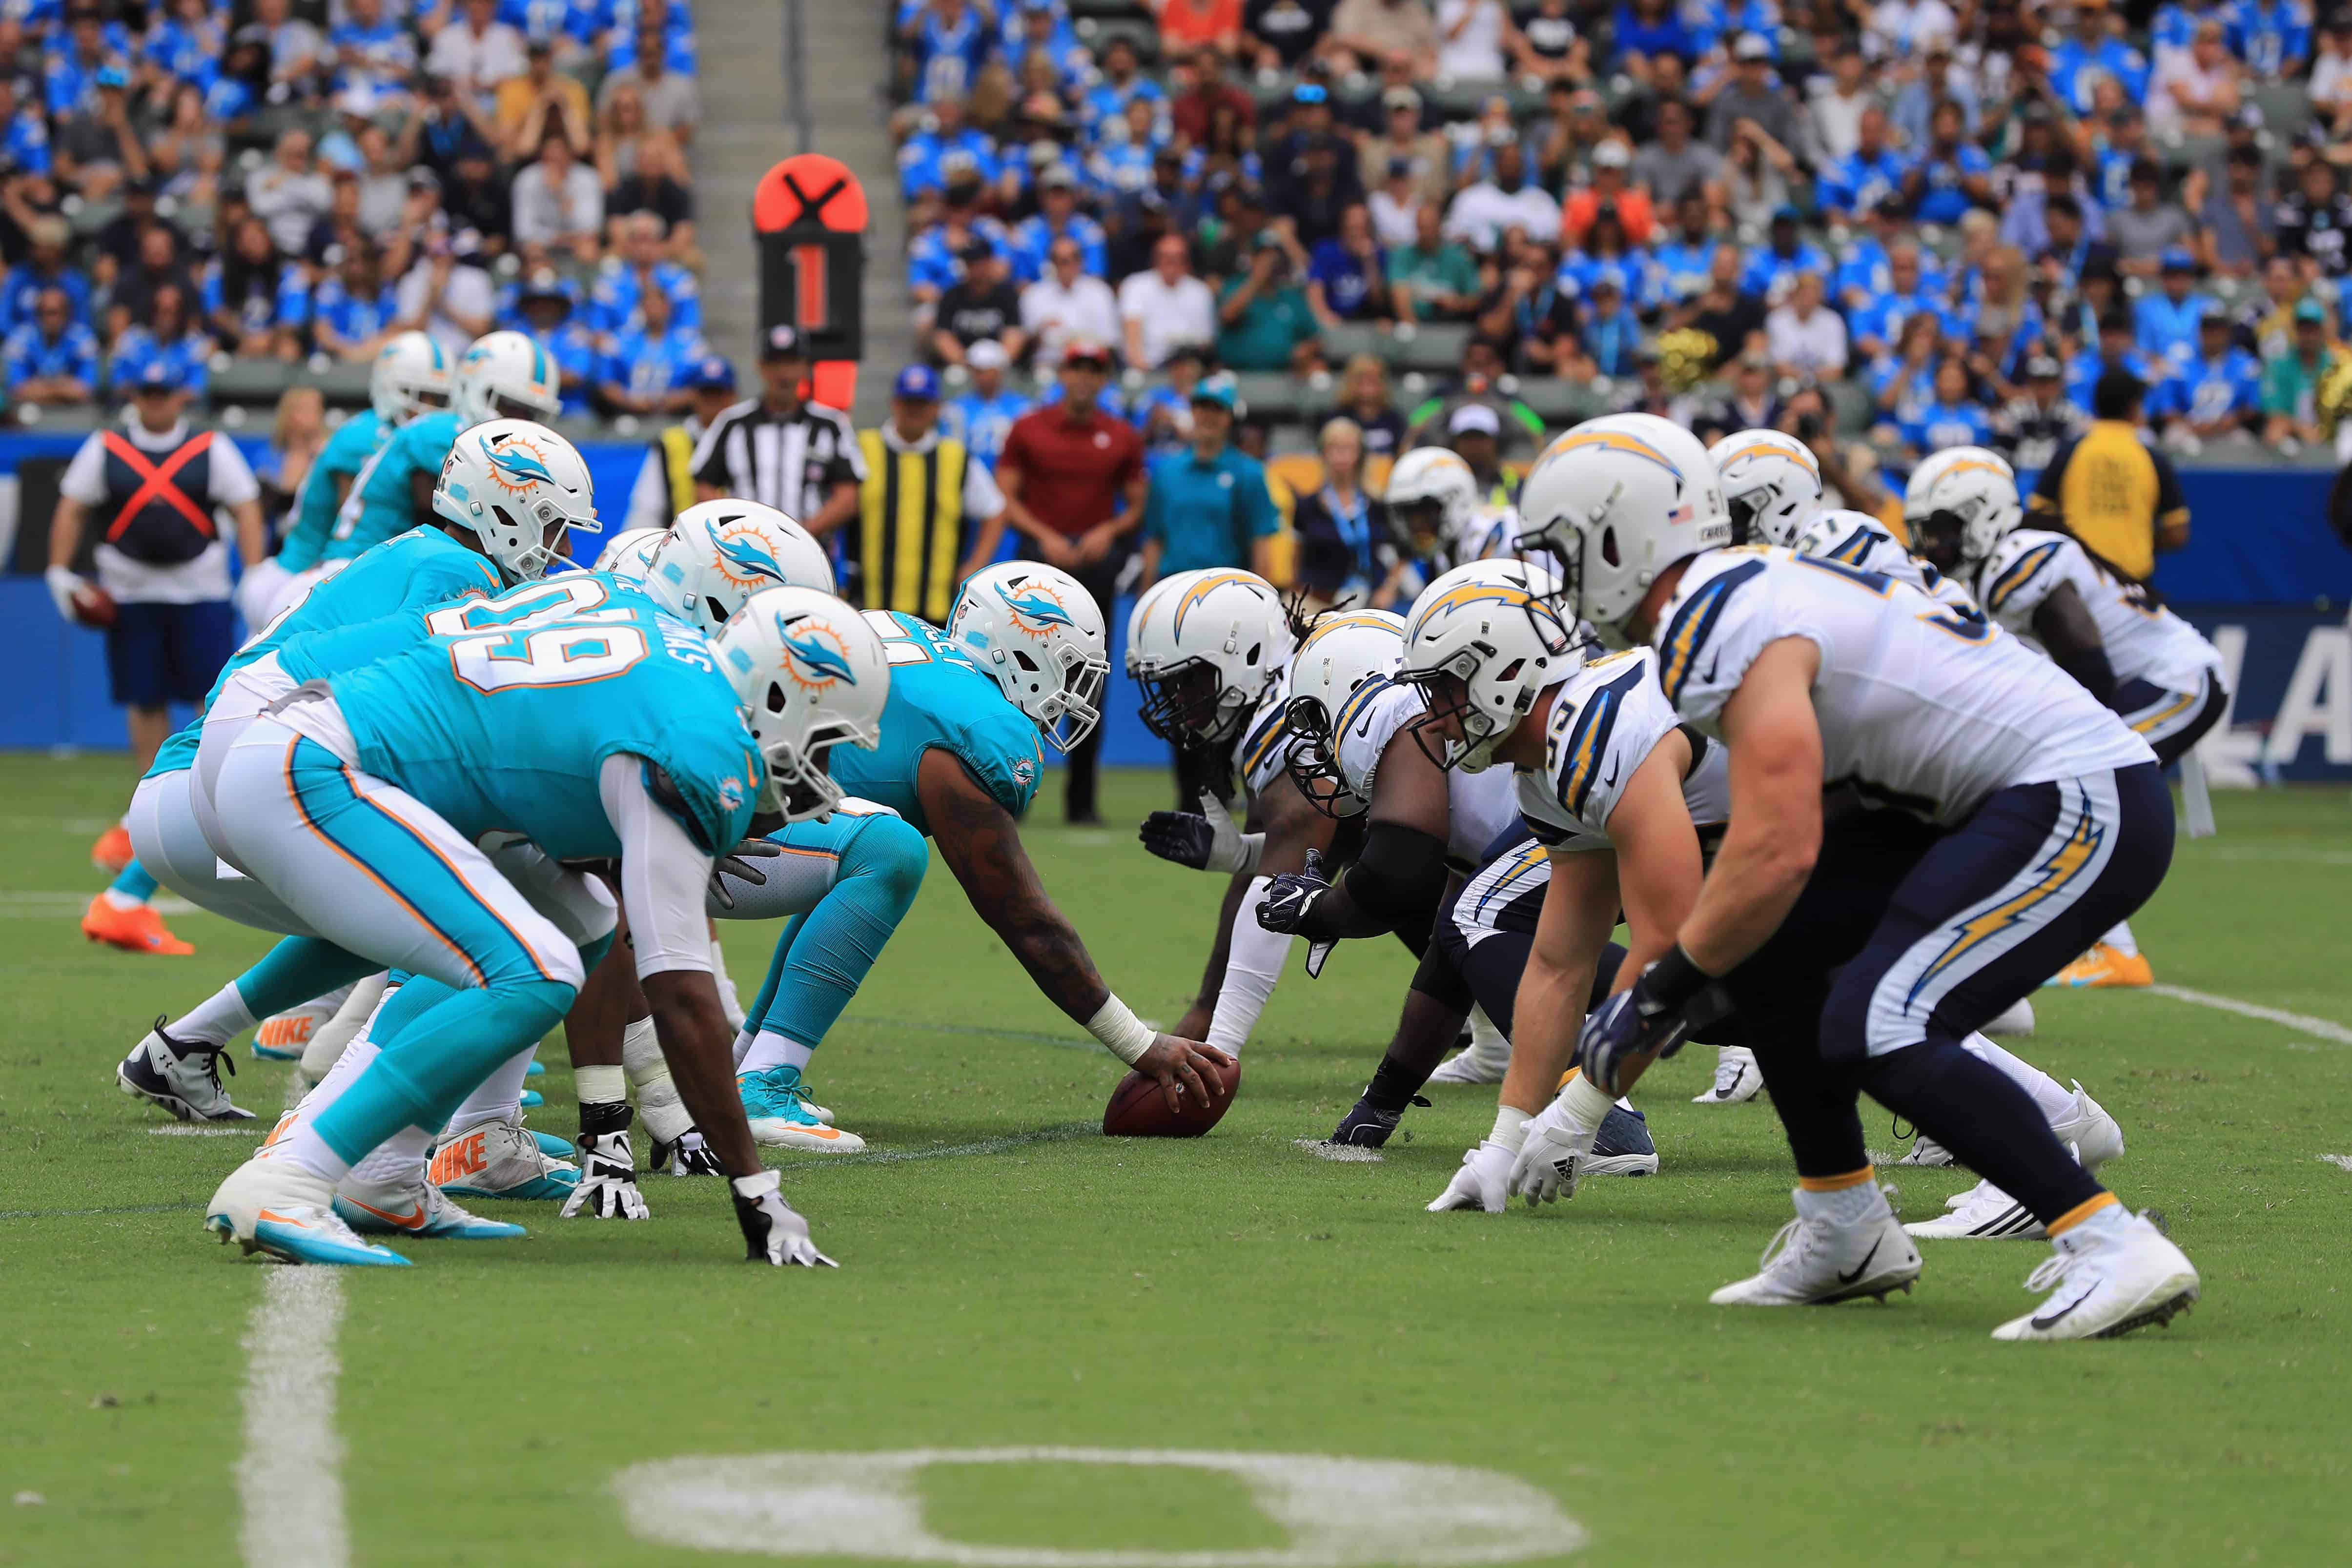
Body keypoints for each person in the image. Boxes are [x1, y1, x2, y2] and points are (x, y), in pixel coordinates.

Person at [1506, 412, 2199, 1341]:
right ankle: (1841, 1225)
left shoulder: (1714, 616)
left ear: (1616, 534)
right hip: (1984, 796)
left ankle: (2106, 1238)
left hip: (2073, 790)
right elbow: (1802, 836)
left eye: (1562, 548)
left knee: (1881, 1017)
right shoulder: (1730, 596)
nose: (1558, 576)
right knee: (1770, 958)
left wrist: (1659, 990)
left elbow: (1779, 842)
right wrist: (1697, 974)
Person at [199, 538, 858, 1264]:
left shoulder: (666, 653)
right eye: (823, 745)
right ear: (777, 697)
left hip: (316, 744)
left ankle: (384, 1173)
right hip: (319, 765)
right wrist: (755, 1190)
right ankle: (292, 1175)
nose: (821, 771)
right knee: (536, 969)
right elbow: (681, 996)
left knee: (583, 926)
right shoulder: (696, 745)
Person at [1913, 447, 2227, 994]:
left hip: (2177, 683)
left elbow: (2090, 668)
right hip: (2161, 682)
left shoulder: (2018, 562)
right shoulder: (2004, 561)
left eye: (1943, 527)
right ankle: (2089, 941)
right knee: (2080, 793)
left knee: (2094, 792)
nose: (1933, 543)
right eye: (1925, 530)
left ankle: (2114, 950)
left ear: (1984, 515)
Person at [44, 359, 265, 957]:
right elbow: (72, 504)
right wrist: (59, 570)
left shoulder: (209, 446)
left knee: (212, 698)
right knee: (143, 698)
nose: (157, 402)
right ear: (134, 396)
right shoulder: (107, 446)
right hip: (134, 592)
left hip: (201, 591)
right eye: (147, 392)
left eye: (165, 392)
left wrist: (256, 576)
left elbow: (245, 507)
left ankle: (210, 795)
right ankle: (153, 798)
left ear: (181, 396)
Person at [993, 341, 1148, 823]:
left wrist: (1108, 529)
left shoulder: (1121, 435)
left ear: (1102, 379)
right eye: (1076, 367)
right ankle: (1010, 793)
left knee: (1088, 686)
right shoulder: (1029, 429)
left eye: (1093, 370)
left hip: (1091, 567)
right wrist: (1044, 535)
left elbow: (1138, 504)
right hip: (1037, 569)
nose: (1084, 377)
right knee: (1015, 682)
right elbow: (1006, 496)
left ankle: (1081, 803)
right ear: (1062, 372)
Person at [268, 331, 449, 615]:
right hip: (304, 571)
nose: (429, 409)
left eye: (440, 399)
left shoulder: (401, 435)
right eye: (419, 396)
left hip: (329, 573)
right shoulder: (366, 435)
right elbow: (350, 516)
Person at [851, 364, 1010, 623]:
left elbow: (996, 510)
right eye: (909, 402)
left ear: (937, 407)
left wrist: (974, 567)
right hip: (871, 603)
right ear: (894, 403)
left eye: (923, 403)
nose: (915, 410)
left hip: (937, 607)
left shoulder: (955, 457)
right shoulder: (863, 448)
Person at [691, 325, 863, 537]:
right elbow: (704, 486)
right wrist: (735, 530)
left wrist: (801, 536)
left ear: (805, 367)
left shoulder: (830, 424)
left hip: (809, 554)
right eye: (775, 363)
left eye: (791, 362)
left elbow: (848, 497)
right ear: (761, 367)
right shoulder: (732, 422)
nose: (784, 373)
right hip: (743, 552)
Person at [2030, 370, 2190, 579]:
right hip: (2132, 582)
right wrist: (2140, 540)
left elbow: (2039, 516)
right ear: (2134, 407)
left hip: (2076, 580)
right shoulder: (2153, 458)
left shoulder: (2069, 452)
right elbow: (2177, 533)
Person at [1140, 375, 1280, 597]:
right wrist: (1145, 594)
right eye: (1203, 407)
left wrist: (1262, 599)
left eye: (1218, 409)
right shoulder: (1167, 472)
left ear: (1230, 418)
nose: (1209, 416)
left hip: (1226, 592)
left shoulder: (1250, 473)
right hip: (1171, 590)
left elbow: (1260, 545)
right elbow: (1154, 539)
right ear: (1193, 412)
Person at [623, 353, 737, 532]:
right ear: (692, 395)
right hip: (680, 551)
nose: (712, 400)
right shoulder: (671, 443)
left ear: (732, 396)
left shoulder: (743, 439)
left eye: (719, 393)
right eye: (706, 393)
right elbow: (647, 510)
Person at [1291, 417, 1388, 609]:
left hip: (1371, 600)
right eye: (1334, 448)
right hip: (1319, 600)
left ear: (1360, 453)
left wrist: (1389, 589)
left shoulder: (1377, 504)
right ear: (1323, 453)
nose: (1341, 455)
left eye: (1348, 448)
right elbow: (1296, 559)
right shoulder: (1307, 506)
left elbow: (1395, 553)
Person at [1118, 231, 1216, 369]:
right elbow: (1131, 338)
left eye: (1178, 257)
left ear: (1187, 262)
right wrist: (1145, 372)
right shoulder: (1135, 285)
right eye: (1165, 257)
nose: (1171, 262)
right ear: (1154, 259)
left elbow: (1205, 343)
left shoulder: (1201, 292)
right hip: (1147, 367)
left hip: (1186, 369)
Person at [940, 339, 1032, 470]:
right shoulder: (955, 409)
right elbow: (950, 452)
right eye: (978, 371)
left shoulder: (1023, 408)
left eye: (988, 370)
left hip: (1009, 477)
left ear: (1000, 371)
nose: (983, 377)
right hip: (969, 478)